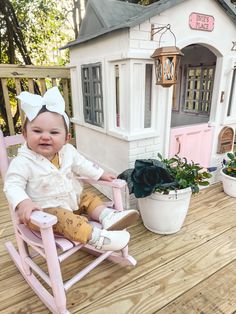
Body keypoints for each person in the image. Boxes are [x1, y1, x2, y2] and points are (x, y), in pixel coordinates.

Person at [4, 86, 139, 251]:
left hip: (72, 201)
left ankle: (107, 216)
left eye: (54, 132)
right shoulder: (22, 161)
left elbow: (82, 164)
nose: (45, 136)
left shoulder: (68, 151)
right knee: (62, 218)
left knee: (88, 197)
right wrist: (23, 203)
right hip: (44, 214)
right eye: (37, 131)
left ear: (66, 138)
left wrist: (101, 174)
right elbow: (12, 184)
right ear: (25, 134)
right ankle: (96, 238)